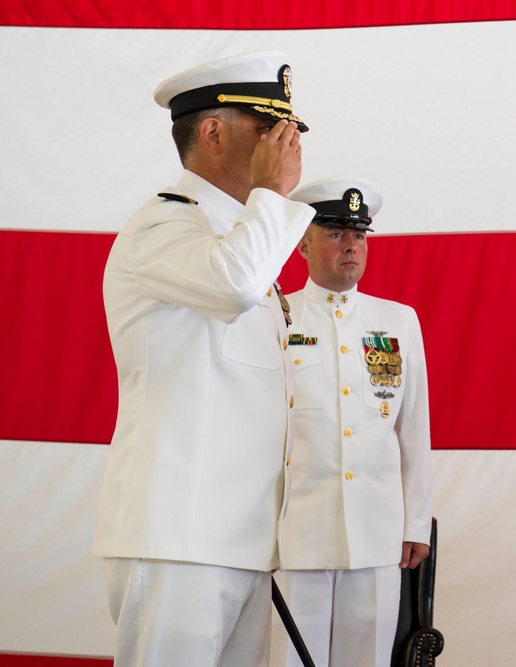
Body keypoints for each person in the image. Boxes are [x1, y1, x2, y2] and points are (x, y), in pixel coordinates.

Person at [93, 51, 316, 667]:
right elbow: (233, 283)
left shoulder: (244, 238)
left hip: (238, 539)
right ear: (213, 132)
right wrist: (272, 193)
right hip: (178, 536)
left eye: (291, 130)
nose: (288, 143)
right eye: (270, 128)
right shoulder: (163, 228)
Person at [270, 177, 433, 667]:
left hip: (377, 535)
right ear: (302, 244)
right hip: (295, 534)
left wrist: (416, 521)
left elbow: (414, 429)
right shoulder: (275, 317)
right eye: (335, 233)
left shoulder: (398, 321)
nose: (350, 246)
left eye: (359, 235)